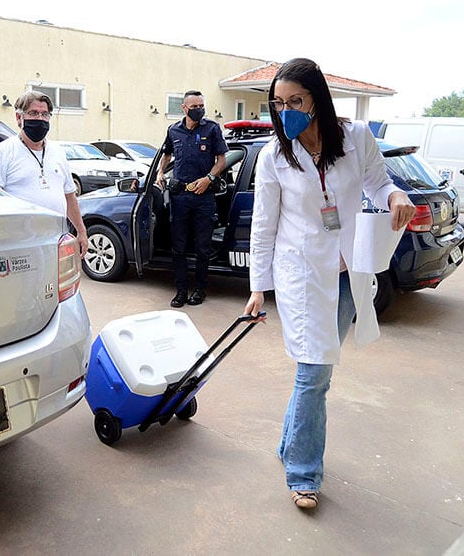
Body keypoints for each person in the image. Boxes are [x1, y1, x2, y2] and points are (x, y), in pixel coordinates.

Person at [242, 58, 416, 510]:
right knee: (314, 373)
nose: (286, 111)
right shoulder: (274, 156)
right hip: (300, 273)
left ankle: (288, 444)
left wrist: (397, 195)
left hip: (347, 270)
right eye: (278, 104)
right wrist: (258, 287)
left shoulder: (356, 138)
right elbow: (263, 224)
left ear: (317, 98)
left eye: (295, 101)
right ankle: (303, 473)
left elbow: (378, 183)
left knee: (316, 370)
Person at [0, 90, 88, 255]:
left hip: (56, 241)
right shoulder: (3, 152)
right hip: (18, 244)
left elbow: (69, 196)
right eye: (33, 113)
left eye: (45, 114)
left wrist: (81, 231)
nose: (40, 119)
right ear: (19, 118)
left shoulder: (57, 152)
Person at [157, 90, 227, 308]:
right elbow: (167, 154)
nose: (199, 110)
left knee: (202, 247)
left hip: (203, 197)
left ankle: (200, 289)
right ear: (184, 108)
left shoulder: (212, 129)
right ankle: (181, 290)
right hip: (180, 197)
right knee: (178, 247)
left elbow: (221, 160)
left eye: (201, 106)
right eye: (194, 106)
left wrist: (209, 179)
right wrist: (160, 172)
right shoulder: (173, 130)